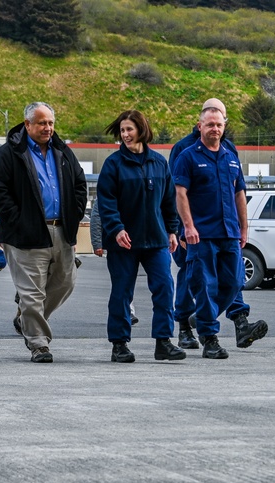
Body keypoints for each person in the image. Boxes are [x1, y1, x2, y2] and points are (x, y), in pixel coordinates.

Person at [0, 102, 87, 363]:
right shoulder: (9, 154)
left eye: (51, 123)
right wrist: (19, 220)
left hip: (60, 231)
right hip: (25, 236)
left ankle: (26, 319)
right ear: (27, 124)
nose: (48, 128)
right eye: (42, 123)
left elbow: (79, 185)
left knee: (66, 281)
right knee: (32, 293)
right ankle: (39, 343)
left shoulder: (62, 152)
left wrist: (73, 216)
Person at [169, 98, 267, 351]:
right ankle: (209, 338)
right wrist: (185, 227)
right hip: (200, 234)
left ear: (225, 125)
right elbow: (179, 193)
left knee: (234, 281)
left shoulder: (230, 155)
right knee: (203, 284)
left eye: (219, 124)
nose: (215, 128)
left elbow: (239, 194)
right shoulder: (186, 154)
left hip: (229, 232)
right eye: (210, 124)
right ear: (199, 125)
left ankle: (201, 318)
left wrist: (243, 228)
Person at [96, 109, 185, 363]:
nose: (125, 134)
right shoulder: (113, 164)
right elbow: (107, 202)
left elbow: (169, 201)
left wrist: (172, 230)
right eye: (122, 130)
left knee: (165, 288)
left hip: (156, 239)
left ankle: (163, 342)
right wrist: (116, 229)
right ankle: (120, 345)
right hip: (123, 241)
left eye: (129, 129)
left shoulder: (159, 163)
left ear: (141, 130)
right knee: (122, 292)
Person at [89, 196, 137, 325]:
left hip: (137, 240)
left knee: (125, 280)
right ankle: (127, 310)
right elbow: (97, 216)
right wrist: (97, 243)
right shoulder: (109, 188)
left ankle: (127, 310)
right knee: (122, 280)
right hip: (117, 242)